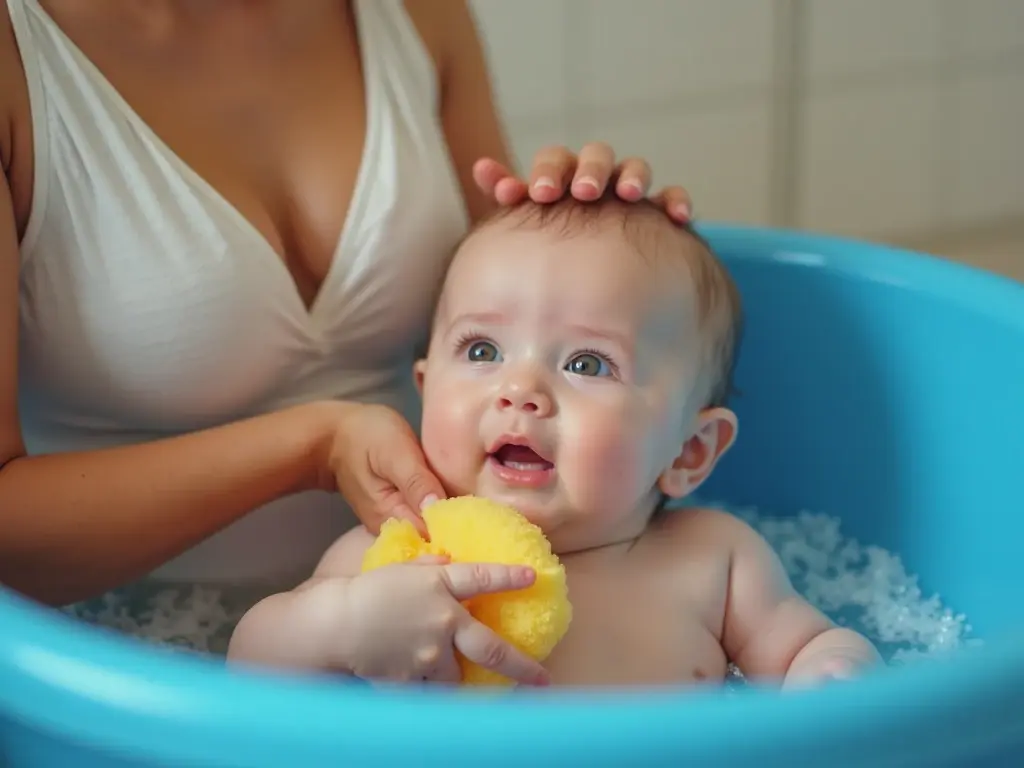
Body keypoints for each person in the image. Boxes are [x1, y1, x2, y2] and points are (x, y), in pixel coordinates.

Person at [0, 0, 693, 617]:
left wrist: (609, 240)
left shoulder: (418, 15)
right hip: (124, 640)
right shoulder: (19, 58)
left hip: (450, 590)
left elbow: (522, 321)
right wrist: (313, 447)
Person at [227, 194, 882, 688]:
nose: (521, 389)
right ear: (425, 391)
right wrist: (343, 625)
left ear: (689, 451)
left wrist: (835, 674)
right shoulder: (390, 554)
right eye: (482, 349)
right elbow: (250, 662)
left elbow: (808, 650)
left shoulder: (713, 563)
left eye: (587, 364)